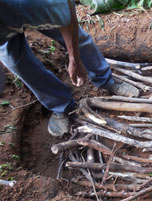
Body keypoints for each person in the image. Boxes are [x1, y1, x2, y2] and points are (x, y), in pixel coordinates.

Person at [0, 0, 140, 136]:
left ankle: (106, 80)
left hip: (30, 6)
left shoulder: (34, 4)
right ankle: (61, 105)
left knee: (77, 39)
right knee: (16, 62)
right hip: (8, 20)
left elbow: (68, 13)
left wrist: (74, 58)